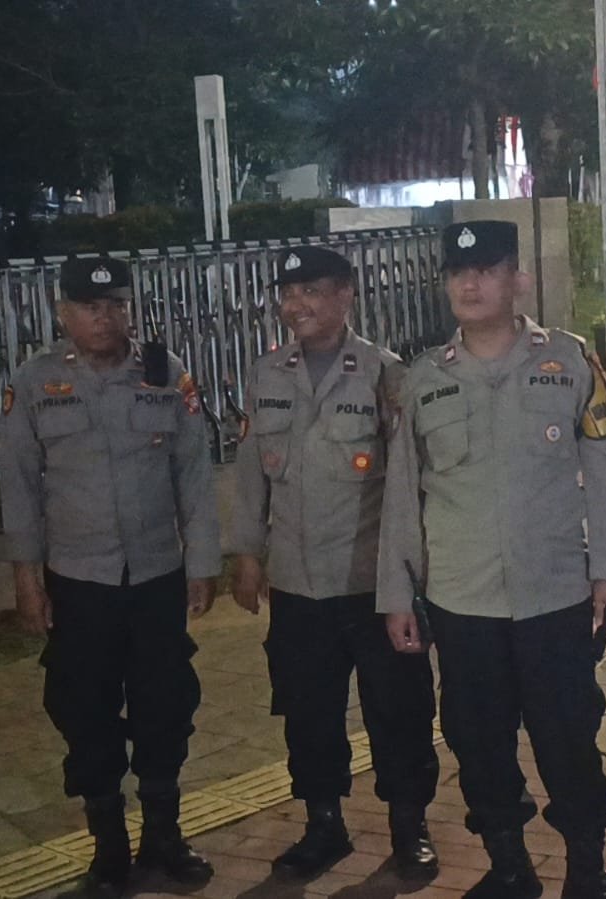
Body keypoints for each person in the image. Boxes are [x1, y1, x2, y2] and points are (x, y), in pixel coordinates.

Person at [379, 221, 606, 899]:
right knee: (477, 741)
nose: (470, 284)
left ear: (516, 279)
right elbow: (402, 495)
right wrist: (396, 595)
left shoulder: (569, 361)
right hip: (461, 602)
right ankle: (509, 867)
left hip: (554, 594)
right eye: (458, 273)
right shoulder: (423, 379)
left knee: (568, 737)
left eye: (487, 271)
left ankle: (587, 868)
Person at [0, 257, 221, 898]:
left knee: (165, 705)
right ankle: (109, 845)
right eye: (90, 307)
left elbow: (194, 474)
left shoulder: (164, 373)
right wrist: (26, 578)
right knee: (85, 710)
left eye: (116, 305)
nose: (104, 317)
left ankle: (164, 837)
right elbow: (19, 486)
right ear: (63, 313)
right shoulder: (35, 382)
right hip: (78, 581)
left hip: (155, 576)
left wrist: (202, 562)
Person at [228, 245, 441, 880]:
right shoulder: (267, 373)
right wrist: (247, 552)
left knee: (398, 712)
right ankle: (324, 824)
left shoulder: (385, 374)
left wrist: (407, 580)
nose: (297, 305)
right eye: (289, 294)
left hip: (371, 584)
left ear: (346, 294)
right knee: (308, 712)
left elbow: (406, 487)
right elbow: (251, 474)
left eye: (312, 291)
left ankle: (409, 826)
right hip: (297, 584)